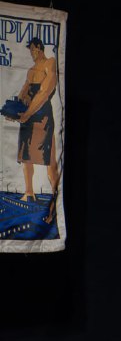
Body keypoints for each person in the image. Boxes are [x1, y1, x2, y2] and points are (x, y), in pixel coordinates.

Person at [10, 38, 59, 217]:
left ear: (39, 48)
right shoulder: (31, 71)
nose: (31, 53)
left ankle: (55, 195)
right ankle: (29, 191)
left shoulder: (49, 63)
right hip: (28, 116)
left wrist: (28, 113)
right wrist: (15, 110)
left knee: (49, 157)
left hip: (42, 115)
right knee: (26, 156)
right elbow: (24, 92)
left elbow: (45, 92)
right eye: (30, 50)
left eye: (33, 49)